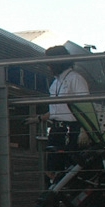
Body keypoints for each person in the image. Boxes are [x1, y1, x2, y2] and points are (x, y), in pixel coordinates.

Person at [26, 46, 90, 183]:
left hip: (70, 129)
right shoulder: (55, 82)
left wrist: (85, 130)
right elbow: (58, 109)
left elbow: (86, 106)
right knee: (52, 169)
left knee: (67, 168)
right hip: (56, 130)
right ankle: (56, 192)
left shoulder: (76, 79)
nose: (48, 66)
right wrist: (39, 118)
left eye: (50, 62)